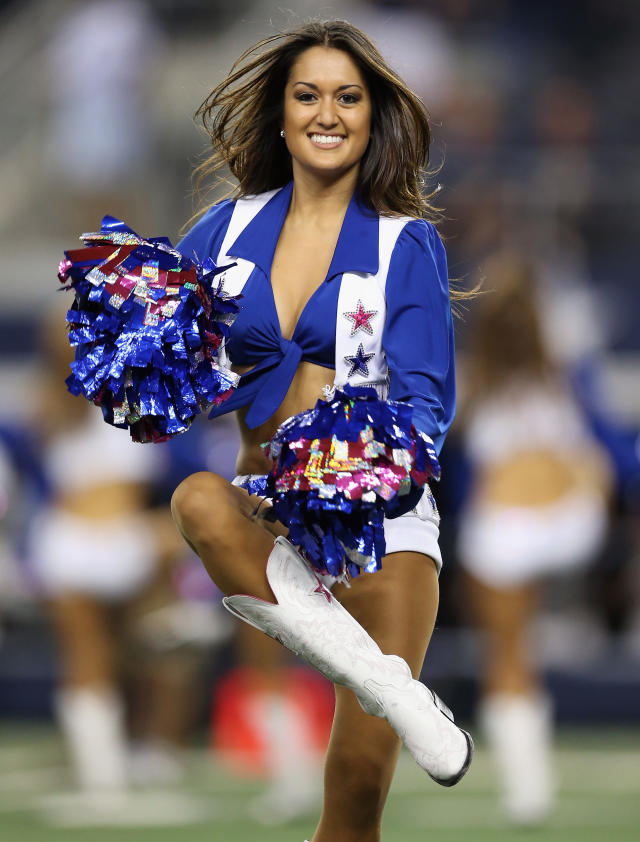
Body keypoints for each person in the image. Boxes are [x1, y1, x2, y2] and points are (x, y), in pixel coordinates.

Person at [171, 21, 472, 842]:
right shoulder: (222, 233)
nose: (327, 112)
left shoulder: (404, 242)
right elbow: (166, 374)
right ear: (280, 114)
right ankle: (398, 692)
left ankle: (379, 694)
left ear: (373, 118)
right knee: (197, 498)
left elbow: (426, 400)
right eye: (308, 95)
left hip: (379, 525)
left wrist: (345, 473)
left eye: (348, 96)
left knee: (353, 800)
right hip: (264, 518)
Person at [455, 251, 611, 825]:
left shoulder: (470, 386)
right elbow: (610, 453)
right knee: (525, 646)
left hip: (508, 532)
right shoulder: (569, 379)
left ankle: (528, 790)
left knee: (508, 655)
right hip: (573, 523)